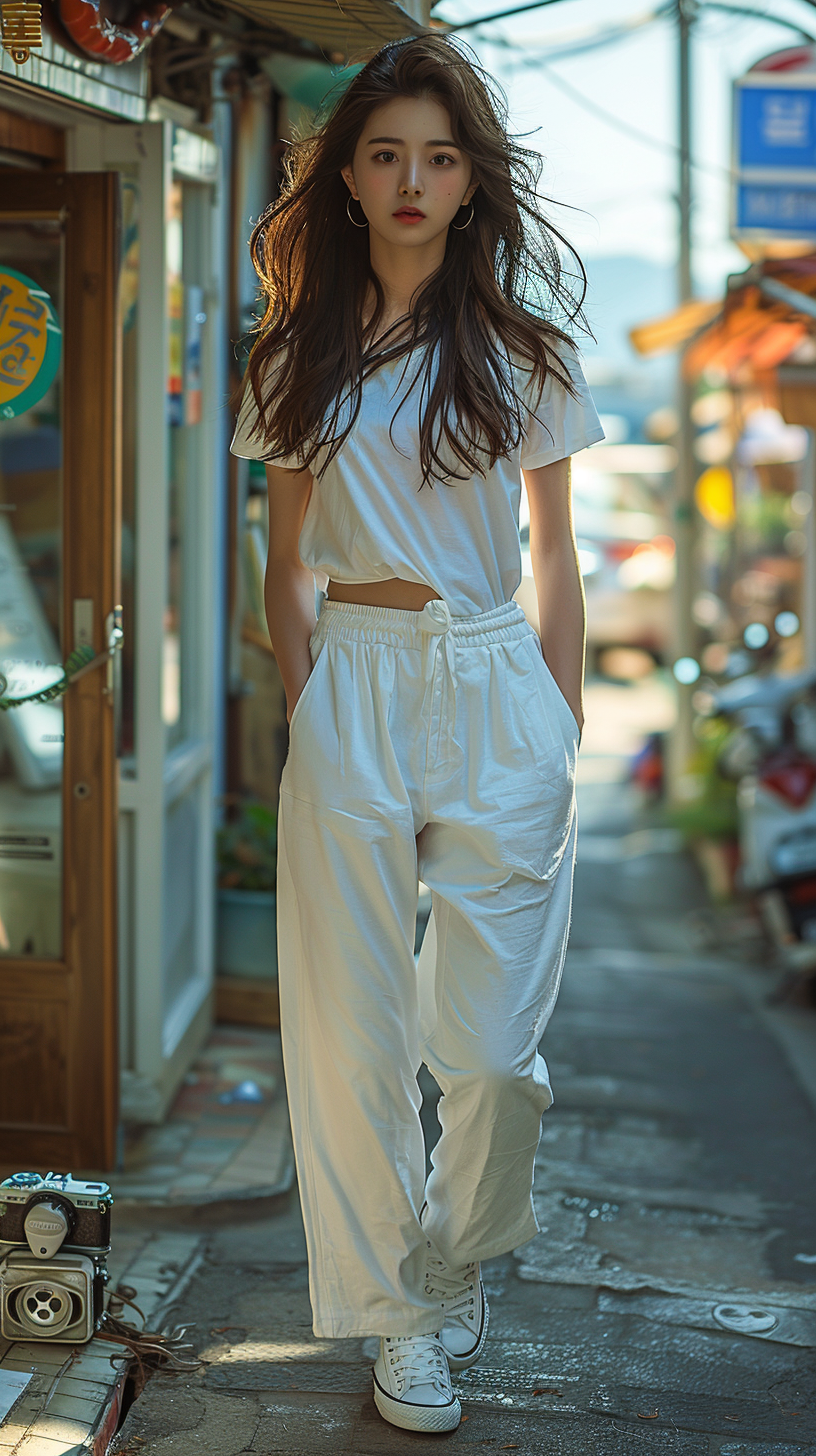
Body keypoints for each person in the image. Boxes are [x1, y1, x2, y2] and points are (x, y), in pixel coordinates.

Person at [230, 34, 604, 1436]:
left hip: (498, 679)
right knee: (351, 1033)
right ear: (347, 175)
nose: (411, 178)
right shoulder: (299, 348)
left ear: (470, 182)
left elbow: (560, 560)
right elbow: (285, 565)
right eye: (384, 151)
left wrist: (555, 718)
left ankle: (452, 1261)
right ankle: (403, 1327)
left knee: (495, 1053)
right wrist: (313, 697)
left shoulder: (523, 350)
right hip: (358, 682)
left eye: (439, 156)